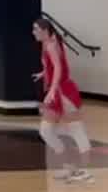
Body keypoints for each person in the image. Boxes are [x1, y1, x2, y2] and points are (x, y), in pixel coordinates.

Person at [34, 15, 93, 183]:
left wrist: (52, 90)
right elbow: (53, 67)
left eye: (36, 29)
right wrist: (43, 73)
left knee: (77, 130)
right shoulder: (47, 43)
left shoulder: (51, 45)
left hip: (64, 92)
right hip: (57, 91)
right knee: (46, 131)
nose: (33, 32)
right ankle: (69, 168)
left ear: (45, 31)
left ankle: (86, 172)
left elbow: (59, 69)